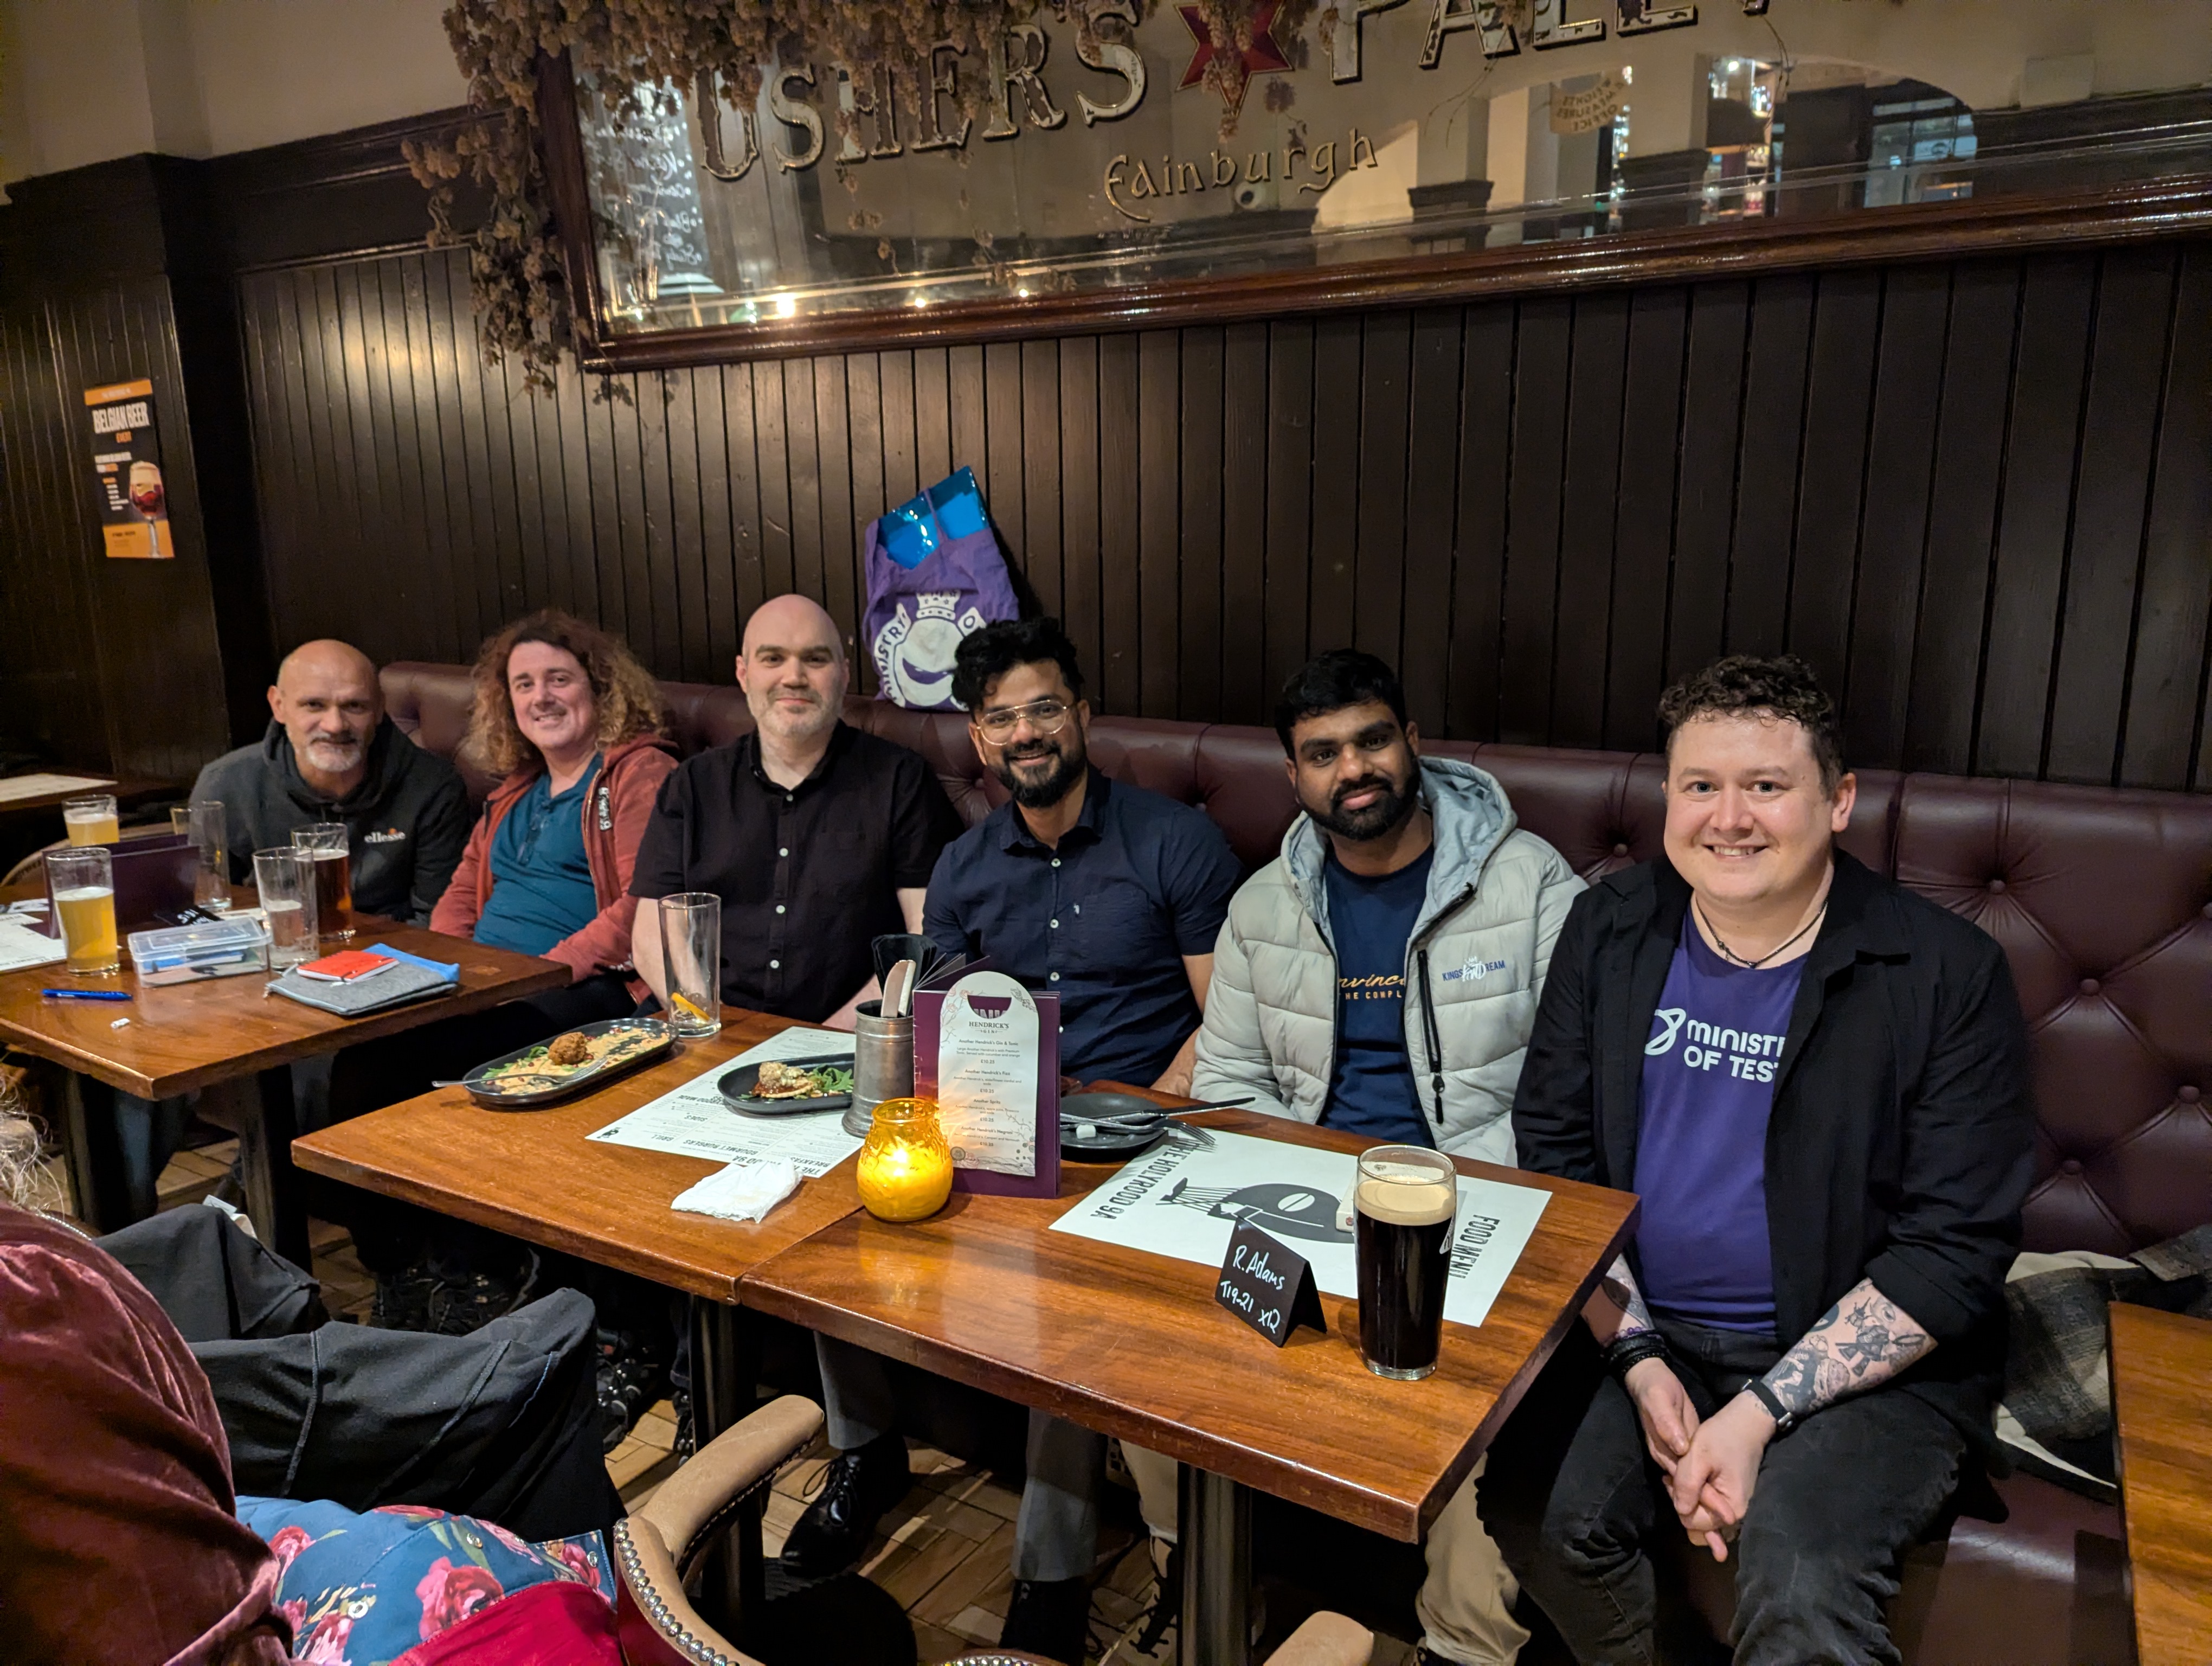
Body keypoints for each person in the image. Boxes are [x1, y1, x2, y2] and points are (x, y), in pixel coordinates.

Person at [1477, 654, 2034, 1665]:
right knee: (1536, 1508)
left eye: (1766, 786)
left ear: (1839, 801)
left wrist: (1762, 1409)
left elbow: (1954, 1251)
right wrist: (1639, 1361)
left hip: (1858, 1363)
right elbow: (1558, 1163)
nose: (1728, 819)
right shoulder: (1608, 926)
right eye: (1701, 785)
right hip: (1646, 1328)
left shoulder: (1946, 971)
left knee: (1804, 1579)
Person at [789, 616, 1242, 1665]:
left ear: (1082, 715)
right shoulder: (962, 863)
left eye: (1044, 709)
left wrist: (1145, 1109)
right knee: (839, 1221)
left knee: (1062, 1299)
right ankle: (864, 1455)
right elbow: (940, 1015)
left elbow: (1223, 1019)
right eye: (1002, 719)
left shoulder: (1174, 842)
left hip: (1134, 1134)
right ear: (979, 740)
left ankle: (1051, 1576)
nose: (1026, 732)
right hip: (995, 1123)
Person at [1186, 648, 1584, 1666]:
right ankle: (1205, 1593)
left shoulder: (1532, 883)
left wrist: (1435, 1189)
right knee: (1165, 1361)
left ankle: (1462, 1646)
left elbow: (1574, 1092)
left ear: (1411, 741)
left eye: (1372, 741)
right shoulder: (1263, 905)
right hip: (1314, 1206)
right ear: (1293, 776)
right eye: (1322, 753)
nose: (1353, 769)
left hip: (1484, 1206)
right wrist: (1318, 1190)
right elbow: (1227, 1084)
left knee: (1486, 1423)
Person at [0, 1109, 626, 1666]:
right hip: (216, 1531)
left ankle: (417, 1304)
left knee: (208, 1239)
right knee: (552, 1344)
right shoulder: (34, 1297)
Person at [324, 611, 678, 1332]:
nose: (541, 697)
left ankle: (480, 1275)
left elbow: (639, 908)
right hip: (489, 986)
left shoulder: (639, 774)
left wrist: (533, 974)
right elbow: (461, 894)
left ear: (599, 688)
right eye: (524, 685)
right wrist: (452, 974)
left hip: (589, 989)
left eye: (559, 679)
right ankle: (400, 1268)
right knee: (360, 1062)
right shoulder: (515, 789)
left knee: (462, 1068)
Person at [628, 593, 962, 1026]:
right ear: (743, 674)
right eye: (773, 659)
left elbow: (926, 937)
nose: (794, 677)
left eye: (815, 659)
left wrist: (829, 1040)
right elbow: (653, 933)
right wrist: (706, 1024)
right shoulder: (692, 785)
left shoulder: (901, 781)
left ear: (843, 674)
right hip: (706, 1029)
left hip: (848, 1036)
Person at [192, 638, 468, 924]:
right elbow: (207, 909)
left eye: (354, 706)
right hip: (278, 942)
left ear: (379, 709)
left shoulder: (433, 786)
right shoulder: (224, 784)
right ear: (278, 705)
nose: (335, 725)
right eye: (314, 705)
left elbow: (437, 920)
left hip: (393, 945)